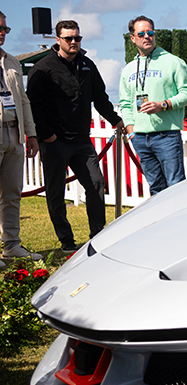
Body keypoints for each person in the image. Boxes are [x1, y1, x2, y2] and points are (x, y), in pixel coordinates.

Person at [27, 19, 122, 254]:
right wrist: (46, 136)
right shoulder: (43, 68)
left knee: (96, 183)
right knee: (56, 192)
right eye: (68, 38)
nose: (73, 42)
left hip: (81, 141)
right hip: (55, 142)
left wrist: (116, 121)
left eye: (77, 38)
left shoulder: (87, 65)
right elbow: (33, 105)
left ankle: (97, 235)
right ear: (57, 40)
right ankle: (66, 241)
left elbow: (100, 97)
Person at [118, 16, 187, 195]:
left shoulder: (174, 62)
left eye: (150, 33)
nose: (147, 37)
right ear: (132, 38)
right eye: (142, 33)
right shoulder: (128, 69)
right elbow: (125, 103)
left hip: (166, 135)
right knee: (155, 189)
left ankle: (179, 223)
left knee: (176, 187)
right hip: (140, 137)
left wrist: (164, 105)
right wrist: (131, 132)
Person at [0, 12, 40, 264]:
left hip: (14, 133)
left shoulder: (12, 62)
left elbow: (23, 100)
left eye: (5, 28)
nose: (2, 32)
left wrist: (31, 134)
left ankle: (11, 244)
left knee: (12, 191)